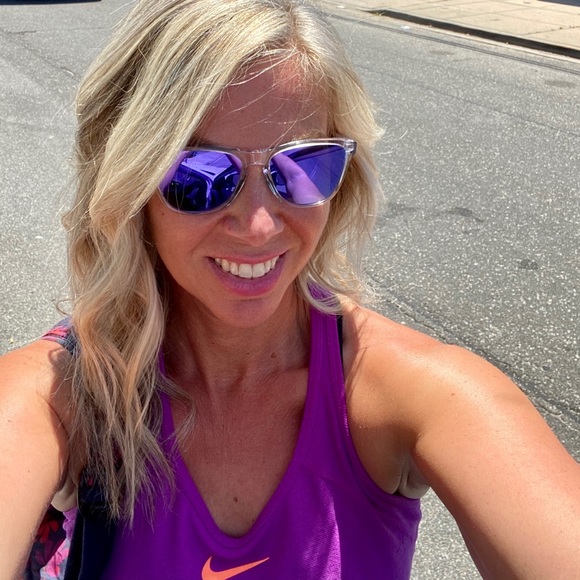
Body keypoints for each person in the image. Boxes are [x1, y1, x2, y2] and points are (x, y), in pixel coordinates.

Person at [1, 0, 579, 577]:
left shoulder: (417, 394)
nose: (259, 226)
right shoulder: (61, 396)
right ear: (129, 185)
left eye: (303, 167)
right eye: (199, 175)